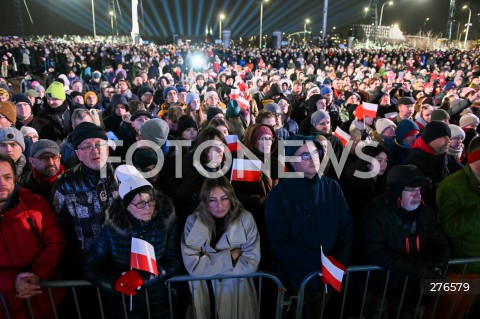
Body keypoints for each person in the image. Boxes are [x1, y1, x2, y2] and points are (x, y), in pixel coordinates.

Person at [265, 135, 353, 318]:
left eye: (315, 152)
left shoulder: (333, 188)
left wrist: (337, 263)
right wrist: (320, 263)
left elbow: (346, 229)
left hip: (330, 279)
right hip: (295, 282)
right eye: (305, 155)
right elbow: (279, 243)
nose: (313, 158)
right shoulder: (278, 196)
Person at [84, 165, 180, 319]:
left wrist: (145, 278)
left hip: (159, 302)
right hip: (124, 305)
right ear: (127, 207)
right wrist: (115, 282)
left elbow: (173, 262)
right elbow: (92, 265)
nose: (148, 208)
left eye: (151, 201)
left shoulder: (166, 223)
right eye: (140, 204)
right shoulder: (111, 228)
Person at [360, 165, 450, 318]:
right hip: (380, 288)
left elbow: (438, 239)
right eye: (411, 190)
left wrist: (437, 263)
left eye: (419, 190)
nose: (417, 195)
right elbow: (374, 252)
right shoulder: (375, 213)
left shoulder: (424, 210)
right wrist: (416, 268)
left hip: (410, 287)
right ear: (395, 191)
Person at [181, 177, 260, 319]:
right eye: (212, 200)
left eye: (224, 198)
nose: (220, 205)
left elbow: (251, 263)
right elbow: (192, 266)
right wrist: (230, 257)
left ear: (231, 198)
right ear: (205, 201)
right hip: (205, 293)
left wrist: (207, 265)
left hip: (237, 293)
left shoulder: (246, 219)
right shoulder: (193, 221)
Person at [0, 153, 65, 319]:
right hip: (5, 306)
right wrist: (11, 282)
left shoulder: (35, 203)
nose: (2, 183)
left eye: (7, 177)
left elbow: (55, 242)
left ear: (15, 178)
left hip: (46, 299)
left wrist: (37, 274)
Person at [52, 122, 119, 277]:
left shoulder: (125, 175)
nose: (94, 150)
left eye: (99, 144)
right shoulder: (65, 183)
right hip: (88, 260)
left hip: (123, 255)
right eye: (86, 146)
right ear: (78, 153)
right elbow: (60, 224)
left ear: (107, 149)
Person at [433, 137, 480, 319]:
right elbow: (449, 227)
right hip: (459, 270)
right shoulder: (451, 186)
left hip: (476, 266)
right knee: (446, 312)